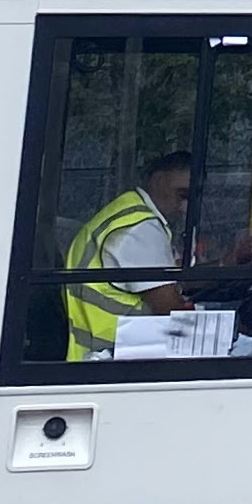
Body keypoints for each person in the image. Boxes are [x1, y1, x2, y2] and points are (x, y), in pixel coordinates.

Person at [64, 150, 194, 361]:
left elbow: (180, 275)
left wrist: (227, 263)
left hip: (104, 353)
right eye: (183, 195)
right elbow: (171, 310)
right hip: (115, 357)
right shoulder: (140, 229)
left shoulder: (129, 212)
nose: (186, 207)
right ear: (159, 181)